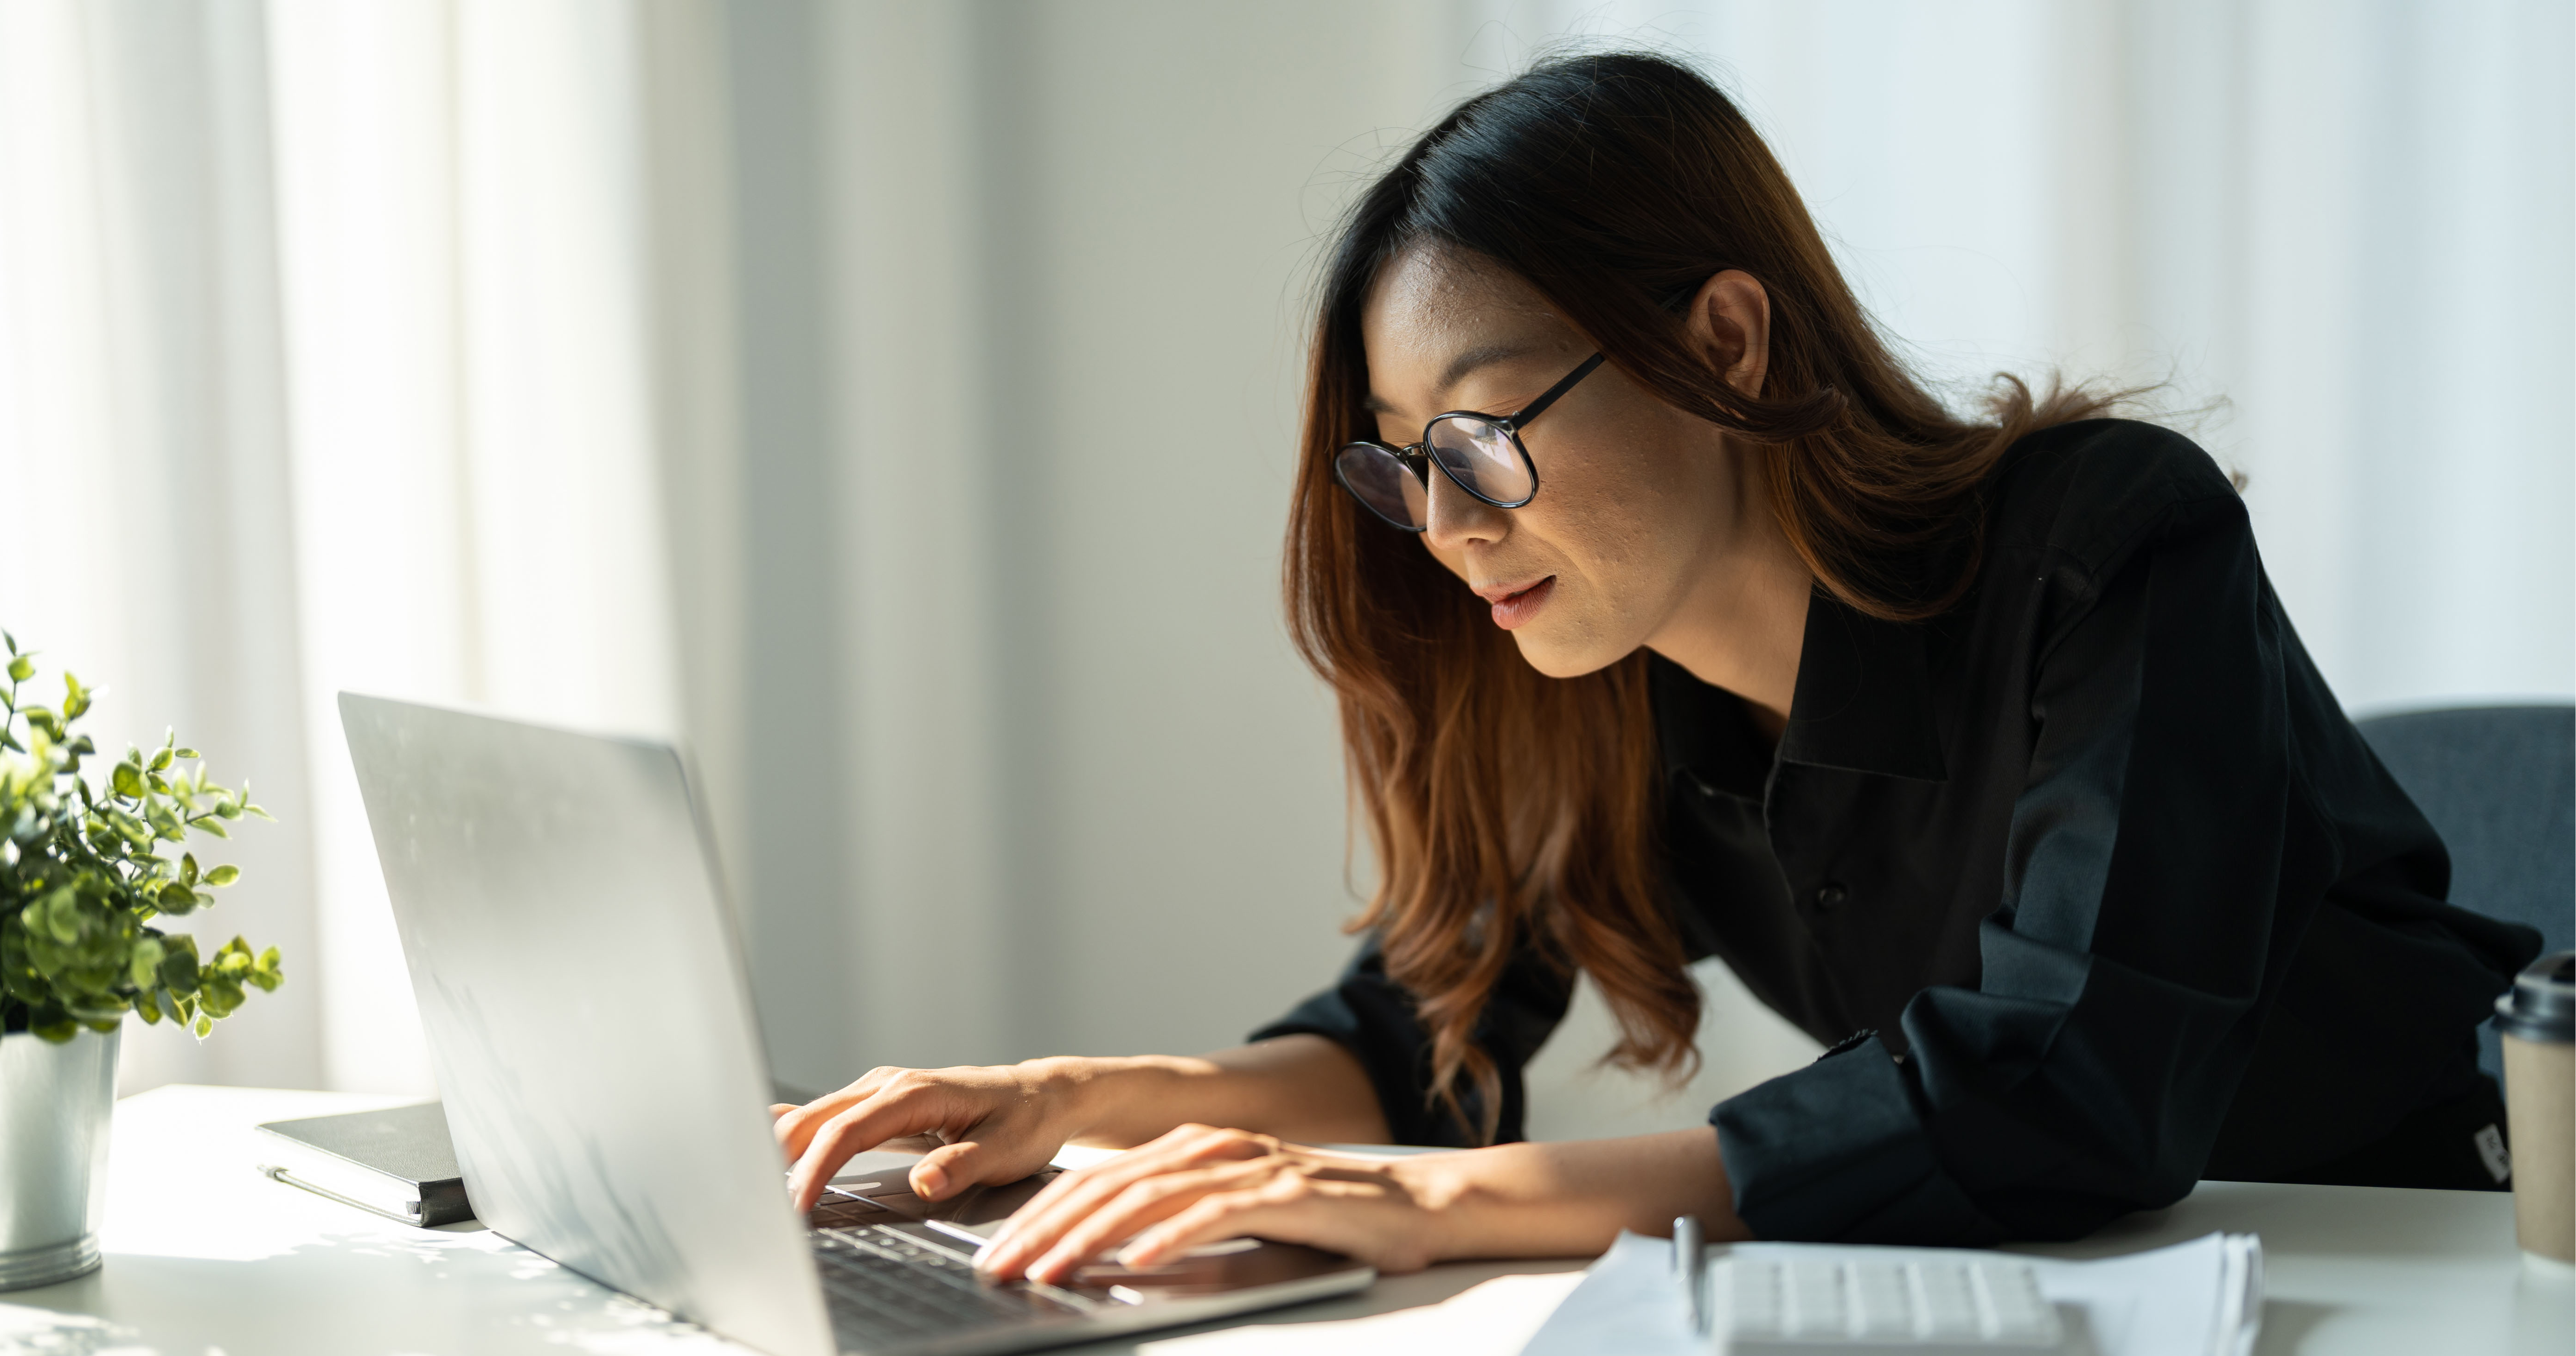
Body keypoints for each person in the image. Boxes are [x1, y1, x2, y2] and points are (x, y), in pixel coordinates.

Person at [771, 53, 2539, 1288]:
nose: (1446, 527)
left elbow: (2064, 1084)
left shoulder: (2100, 541)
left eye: (1476, 435)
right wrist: (1064, 1099)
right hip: (2086, 1302)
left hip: (2437, 1259)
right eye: (1400, 465)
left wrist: (1449, 1207)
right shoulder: (1605, 672)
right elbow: (1417, 1031)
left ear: (1722, 340)